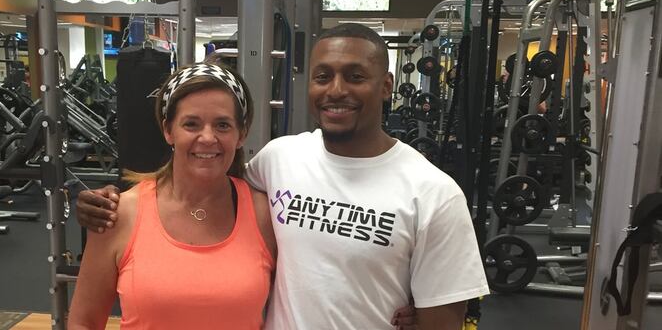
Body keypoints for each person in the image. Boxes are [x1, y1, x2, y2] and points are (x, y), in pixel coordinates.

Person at [78, 24, 482, 329]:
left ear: (386, 86)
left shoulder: (435, 194)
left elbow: (442, 318)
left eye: (355, 76)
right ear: (168, 130)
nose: (336, 90)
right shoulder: (281, 160)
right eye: (323, 76)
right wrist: (99, 204)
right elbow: (205, 181)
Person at [68, 63, 277, 330]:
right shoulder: (119, 214)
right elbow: (83, 322)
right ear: (169, 130)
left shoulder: (265, 214)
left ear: (241, 134)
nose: (208, 138)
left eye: (223, 125)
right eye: (191, 124)